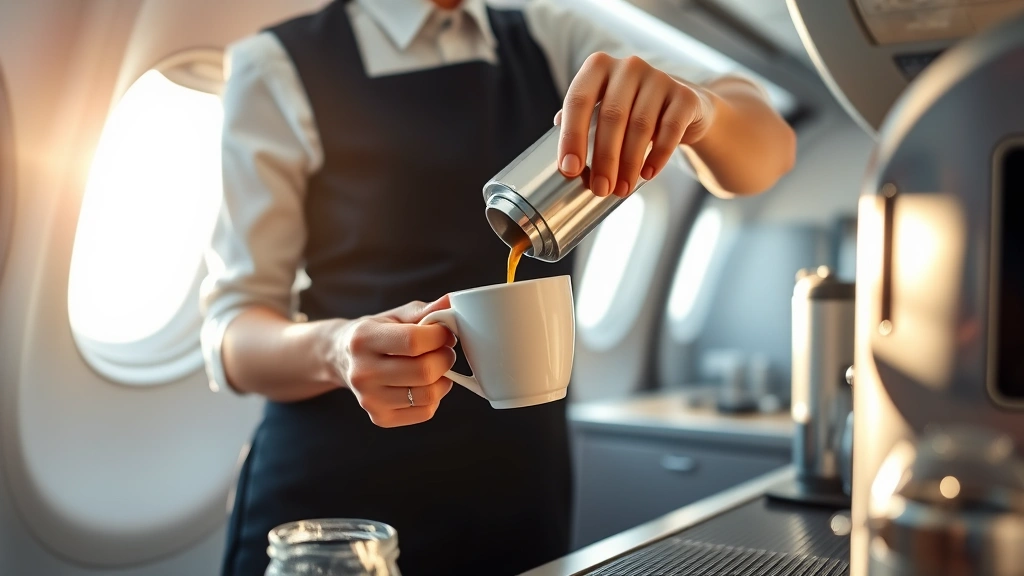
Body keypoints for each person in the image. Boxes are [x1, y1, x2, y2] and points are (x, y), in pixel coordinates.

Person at [200, 0, 796, 574]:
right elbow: (232, 332)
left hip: (516, 490)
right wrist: (336, 349)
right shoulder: (278, 62)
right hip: (337, 506)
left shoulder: (550, 36)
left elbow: (771, 150)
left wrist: (703, 112)